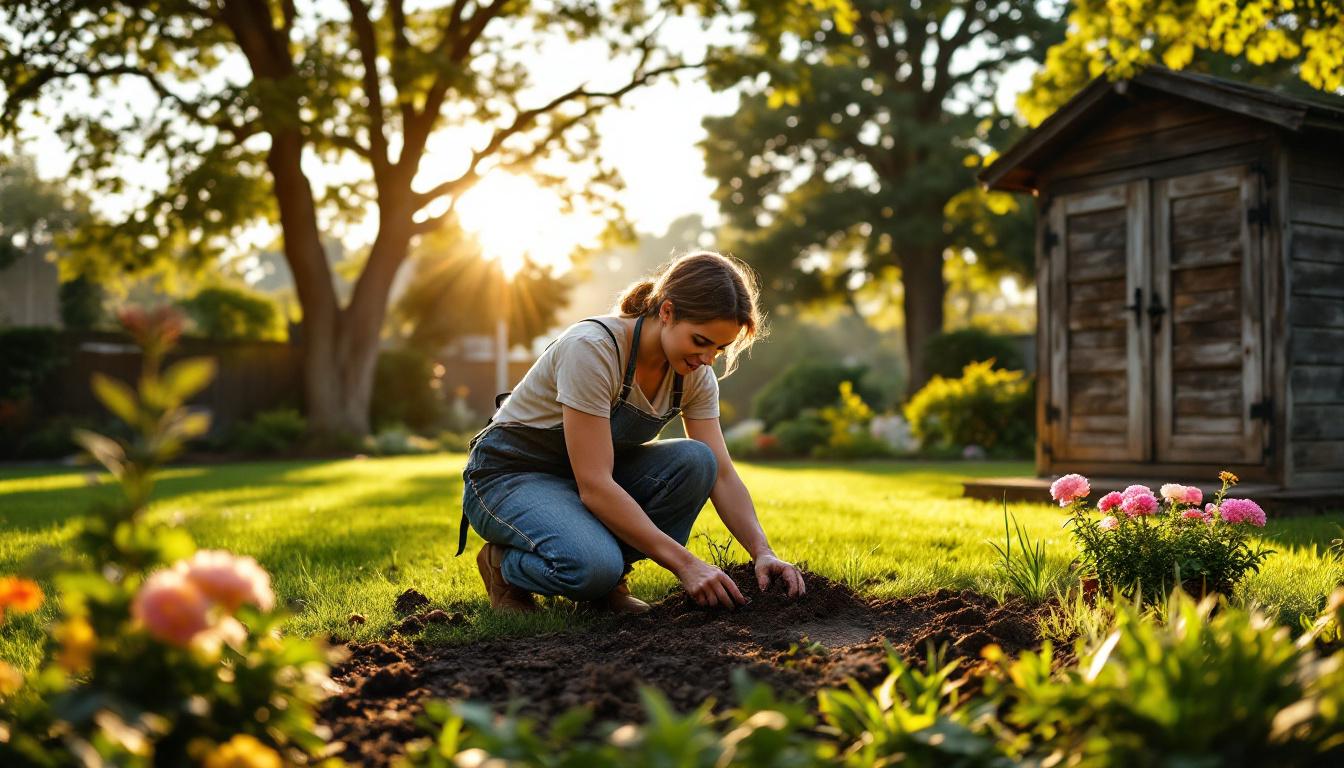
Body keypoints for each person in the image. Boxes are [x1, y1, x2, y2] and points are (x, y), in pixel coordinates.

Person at [457, 251, 806, 614]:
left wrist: (763, 553)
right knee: (591, 569)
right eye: (700, 341)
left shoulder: (694, 375)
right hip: (511, 476)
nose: (707, 359)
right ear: (667, 312)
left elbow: (723, 474)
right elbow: (594, 485)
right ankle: (504, 567)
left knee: (698, 462)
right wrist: (687, 564)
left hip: (581, 481)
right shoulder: (592, 349)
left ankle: (607, 586)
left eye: (719, 348)